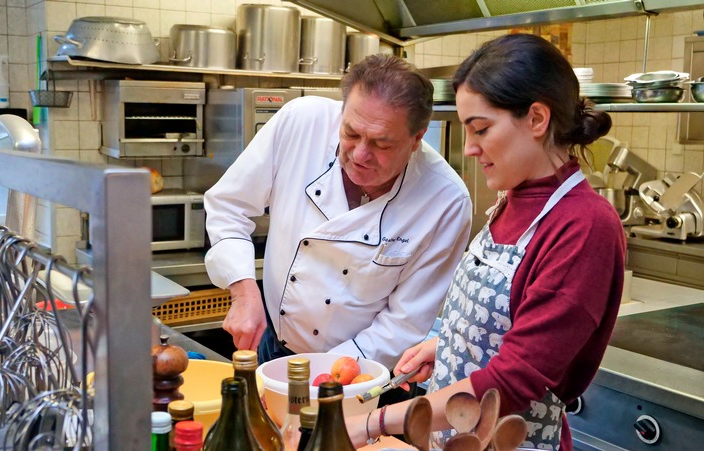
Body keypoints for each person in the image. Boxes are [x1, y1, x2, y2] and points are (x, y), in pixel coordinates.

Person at [347, 33, 626, 451]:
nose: (471, 149)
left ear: (536, 119)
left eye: (480, 129)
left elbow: (514, 380)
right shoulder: (511, 200)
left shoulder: (585, 227)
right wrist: (451, 344)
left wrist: (376, 421)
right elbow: (509, 325)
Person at [204, 54, 472, 368]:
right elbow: (228, 205)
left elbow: (403, 324)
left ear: (416, 139)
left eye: (381, 144)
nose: (360, 154)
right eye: (351, 133)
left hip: (363, 370)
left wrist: (321, 377)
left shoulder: (445, 201)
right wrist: (244, 291)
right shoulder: (301, 122)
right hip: (275, 347)